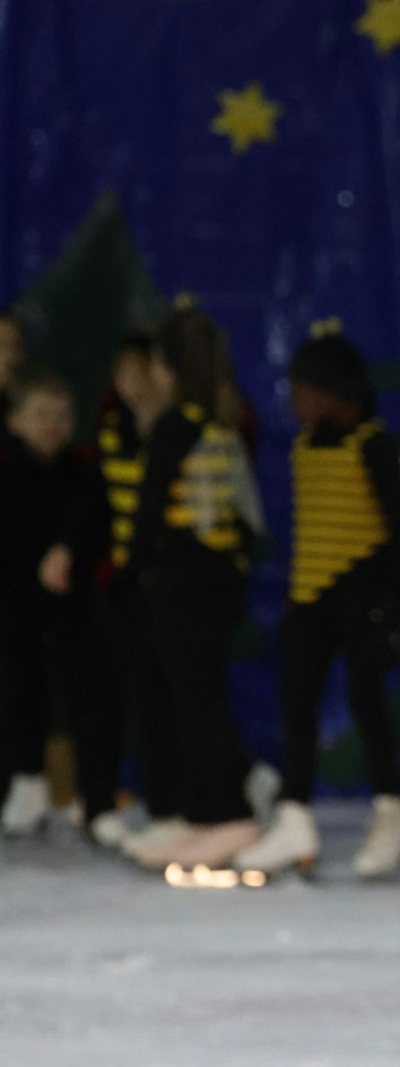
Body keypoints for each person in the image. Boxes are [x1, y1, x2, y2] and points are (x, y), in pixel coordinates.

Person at [235, 331, 400, 878]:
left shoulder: (374, 443)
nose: (294, 399)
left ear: (336, 391)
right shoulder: (301, 447)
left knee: (367, 702)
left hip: (359, 595)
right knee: (297, 703)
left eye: (304, 388)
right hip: (309, 597)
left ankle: (390, 813)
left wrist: (388, 606)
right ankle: (294, 816)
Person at [123, 306, 266, 869]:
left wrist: (129, 574)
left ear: (165, 366)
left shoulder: (178, 424)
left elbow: (149, 509)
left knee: (198, 697)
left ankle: (230, 813)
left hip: (187, 577)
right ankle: (203, 813)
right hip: (215, 576)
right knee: (192, 695)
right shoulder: (217, 416)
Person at [74, 331, 176, 849]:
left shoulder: (177, 429)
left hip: (168, 590)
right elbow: (96, 505)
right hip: (117, 588)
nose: (131, 384)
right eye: (124, 374)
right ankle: (97, 802)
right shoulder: (110, 427)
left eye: (142, 372)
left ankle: (182, 807)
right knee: (105, 697)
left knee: (169, 697)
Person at [0, 369, 103, 837]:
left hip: (70, 609)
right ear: (16, 422)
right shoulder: (7, 471)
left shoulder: (81, 471)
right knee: (21, 693)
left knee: (85, 693)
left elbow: (92, 529)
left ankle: (95, 796)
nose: (52, 425)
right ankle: (27, 783)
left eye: (61, 416)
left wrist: (67, 552)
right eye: (40, 415)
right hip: (16, 610)